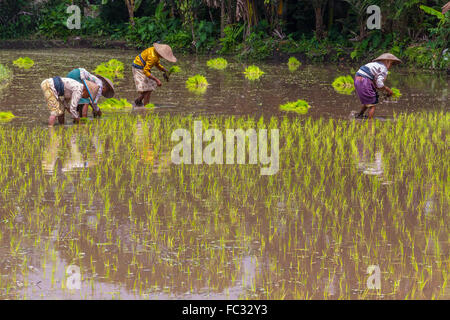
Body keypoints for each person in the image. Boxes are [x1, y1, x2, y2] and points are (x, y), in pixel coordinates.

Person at [354, 53, 402, 119]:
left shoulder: (375, 65)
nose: (391, 66)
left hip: (358, 80)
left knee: (368, 100)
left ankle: (359, 115)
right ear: (387, 61)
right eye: (391, 64)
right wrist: (388, 90)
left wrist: (384, 91)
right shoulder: (383, 68)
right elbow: (379, 84)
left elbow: (376, 84)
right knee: (372, 105)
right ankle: (370, 122)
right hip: (365, 81)